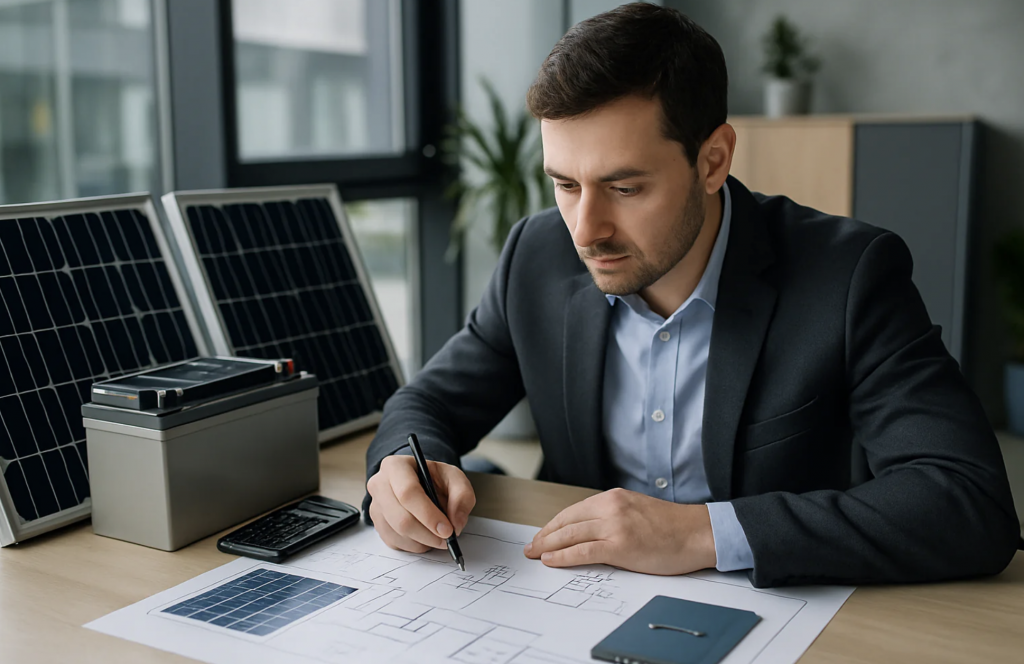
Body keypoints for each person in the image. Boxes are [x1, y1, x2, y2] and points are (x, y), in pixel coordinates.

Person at [362, 3, 1021, 587]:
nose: (585, 230)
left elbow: (967, 501)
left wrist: (701, 533)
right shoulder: (534, 257)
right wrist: (402, 469)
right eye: (565, 185)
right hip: (576, 604)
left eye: (624, 188)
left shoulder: (849, 276)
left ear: (713, 161)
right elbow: (428, 403)